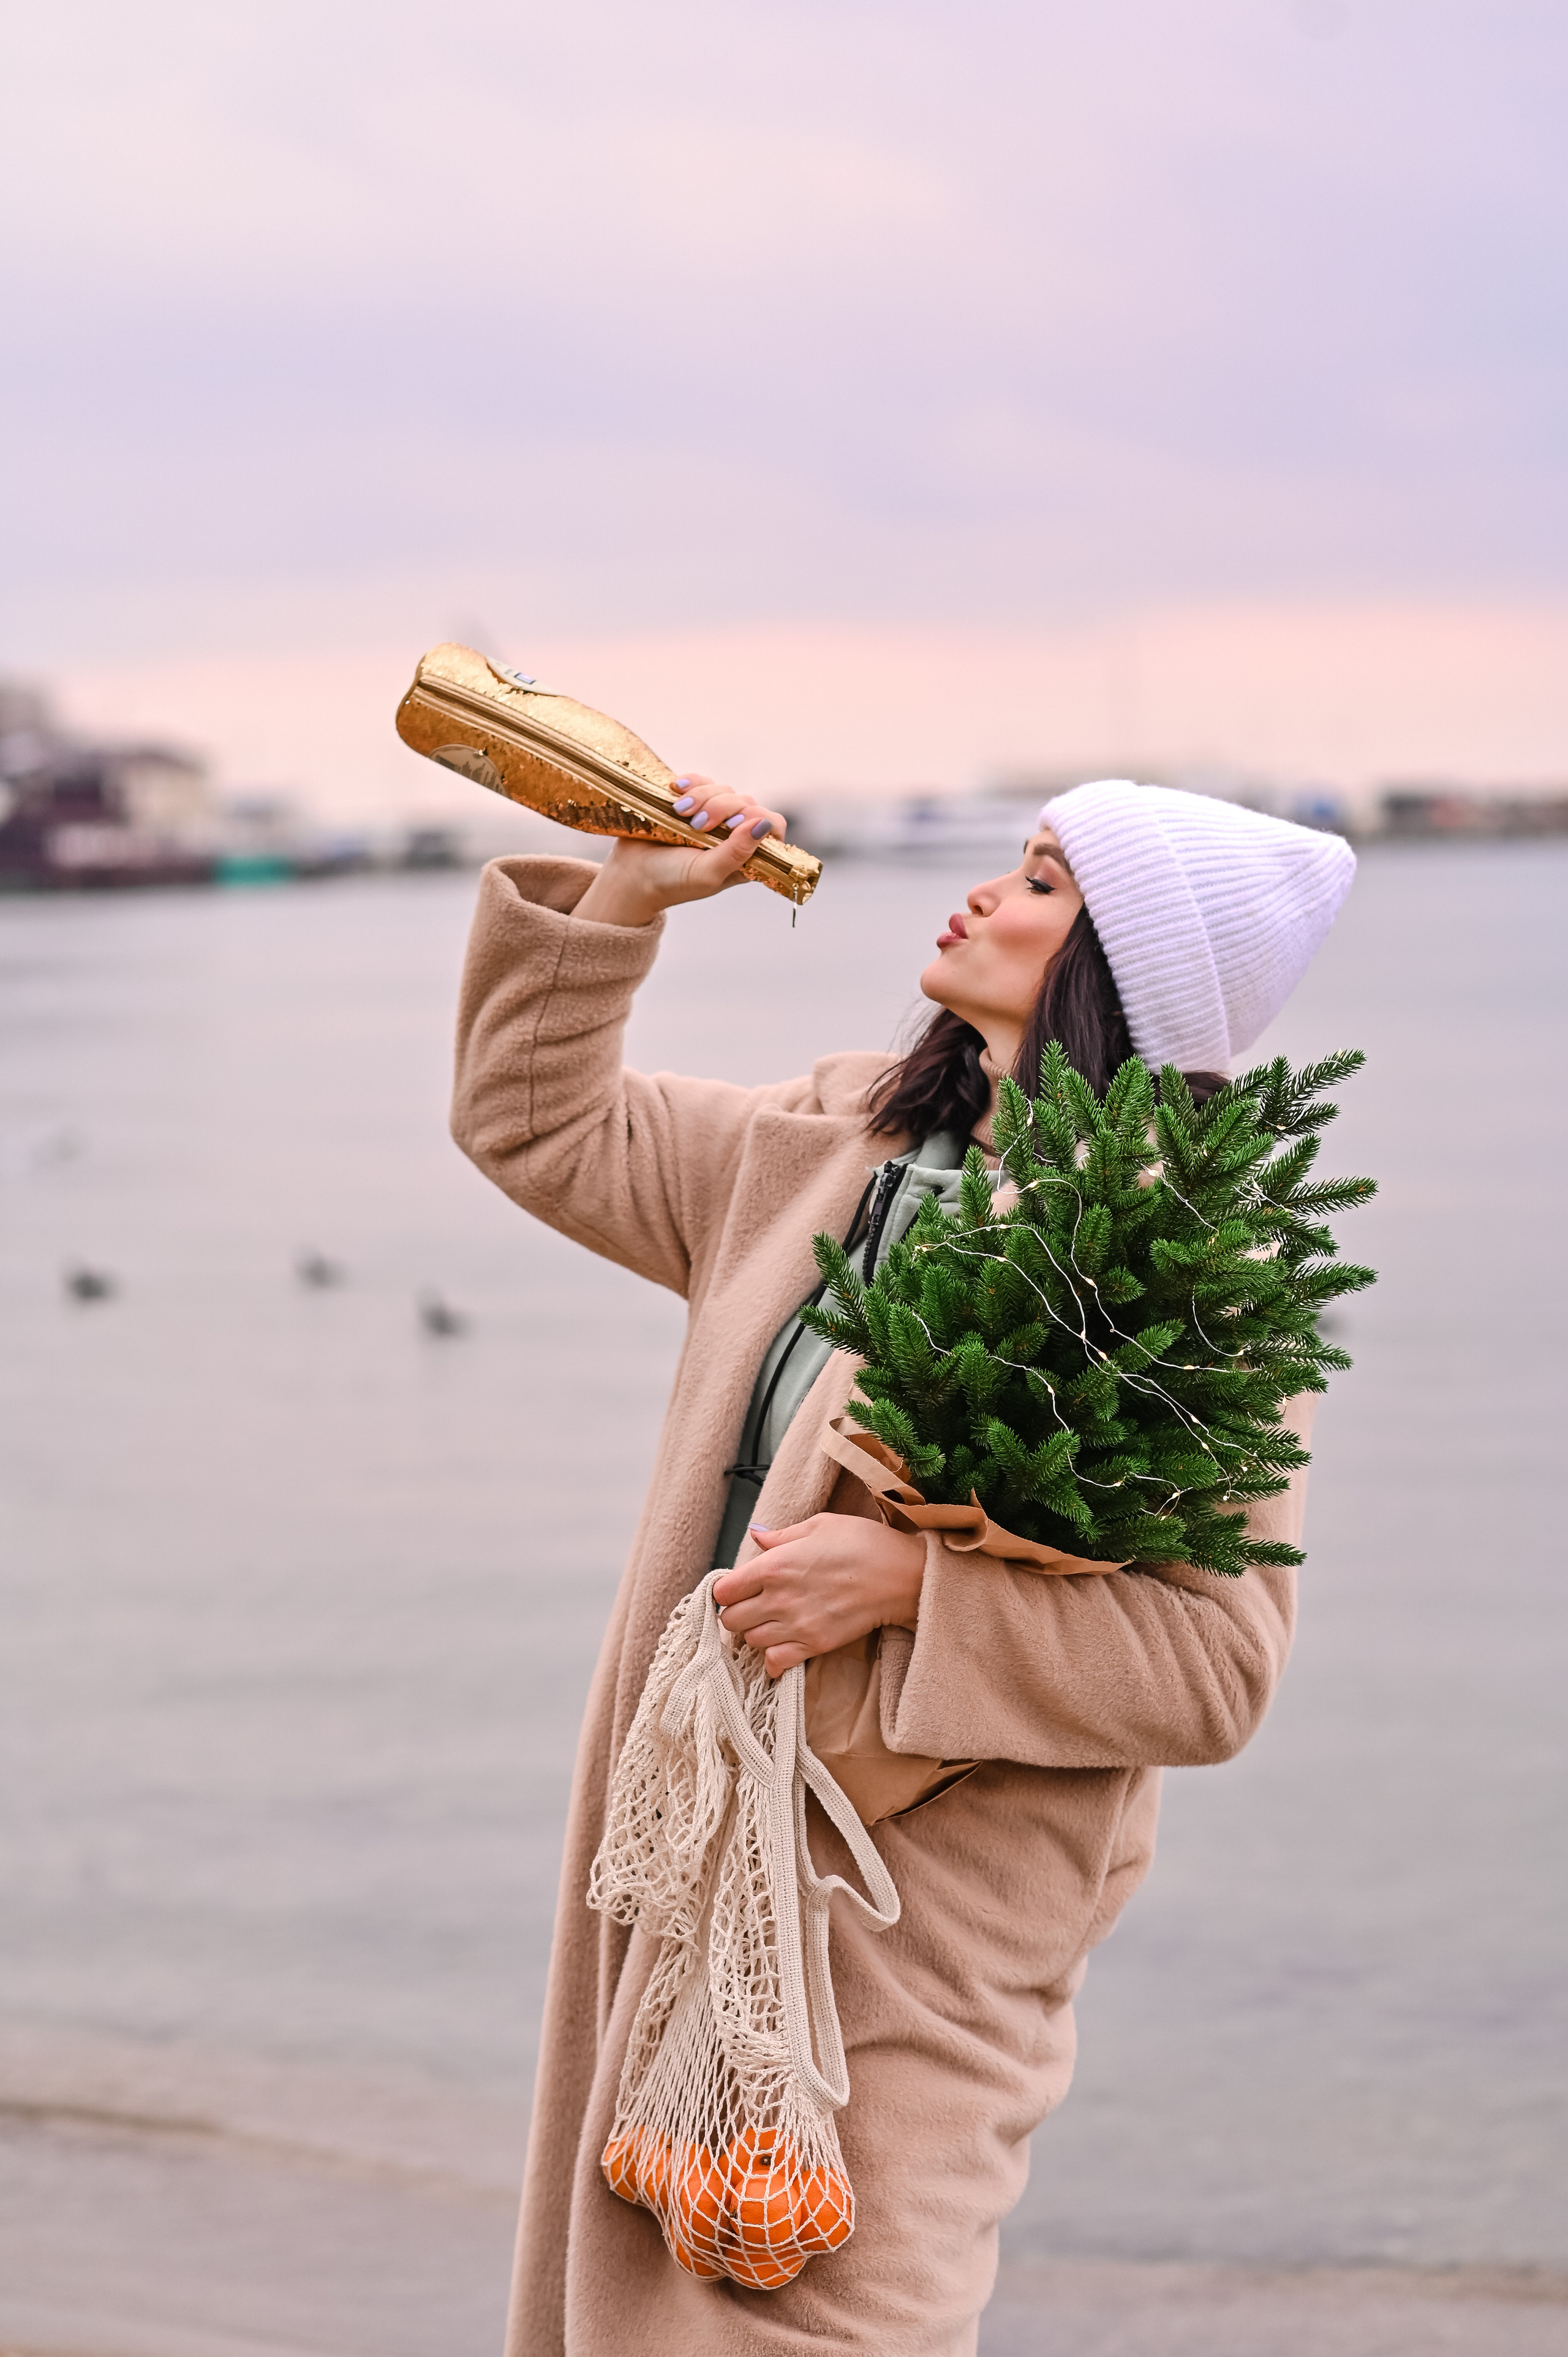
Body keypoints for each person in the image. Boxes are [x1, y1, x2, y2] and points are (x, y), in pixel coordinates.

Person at [451, 775, 1355, 2357]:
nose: (989, 899)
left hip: (903, 1948)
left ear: (1125, 970)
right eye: (1013, 868)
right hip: (687, 1877)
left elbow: (1218, 1670)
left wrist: (915, 1594)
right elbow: (536, 1121)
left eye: (1046, 886)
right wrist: (627, 903)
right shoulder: (830, 1146)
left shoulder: (1171, 1273)